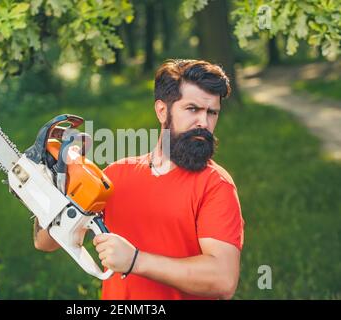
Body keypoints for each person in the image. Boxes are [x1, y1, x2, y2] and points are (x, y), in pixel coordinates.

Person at [34, 59, 244, 300]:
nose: (204, 123)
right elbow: (46, 243)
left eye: (212, 113)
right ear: (162, 110)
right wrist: (53, 191)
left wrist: (136, 260)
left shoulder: (216, 186)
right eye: (193, 109)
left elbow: (223, 279)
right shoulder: (114, 177)